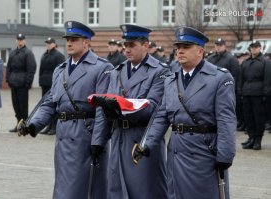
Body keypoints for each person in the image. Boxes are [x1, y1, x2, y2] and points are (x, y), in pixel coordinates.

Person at [134, 27, 236, 198]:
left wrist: (225, 154)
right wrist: (146, 144)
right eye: (178, 47)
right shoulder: (170, 80)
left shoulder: (219, 78)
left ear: (200, 51)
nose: (180, 51)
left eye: (186, 47)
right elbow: (161, 116)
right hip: (177, 151)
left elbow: (226, 120)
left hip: (204, 152)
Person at [18, 21, 113, 199]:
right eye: (67, 39)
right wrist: (34, 125)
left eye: (74, 39)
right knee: (63, 186)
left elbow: (103, 109)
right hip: (63, 135)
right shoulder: (60, 70)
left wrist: (98, 141)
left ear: (86, 42)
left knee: (85, 189)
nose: (69, 43)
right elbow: (51, 103)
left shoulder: (102, 68)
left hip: (85, 135)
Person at [91, 24, 169, 199]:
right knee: (117, 190)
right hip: (119, 137)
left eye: (132, 45)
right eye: (125, 45)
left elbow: (154, 107)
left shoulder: (160, 71)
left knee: (144, 191)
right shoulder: (116, 72)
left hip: (142, 138)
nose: (127, 49)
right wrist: (98, 141)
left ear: (146, 46)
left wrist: (119, 106)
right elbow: (105, 107)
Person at [239, 41, 271, 150]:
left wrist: (265, 93)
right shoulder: (246, 62)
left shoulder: (265, 61)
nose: (254, 49)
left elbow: (267, 79)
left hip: (258, 93)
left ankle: (258, 140)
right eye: (252, 47)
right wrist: (240, 91)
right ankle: (251, 138)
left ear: (260, 48)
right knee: (248, 117)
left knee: (258, 118)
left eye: (256, 47)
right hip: (247, 92)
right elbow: (241, 78)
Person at [6, 33, 37, 132]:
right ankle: (18, 124)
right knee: (16, 106)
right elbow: (9, 67)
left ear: (24, 41)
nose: (19, 41)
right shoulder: (12, 53)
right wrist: (8, 79)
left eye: (21, 39)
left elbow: (31, 68)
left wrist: (28, 82)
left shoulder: (28, 53)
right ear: (16, 41)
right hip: (13, 82)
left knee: (23, 106)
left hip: (22, 83)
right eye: (18, 39)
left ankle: (24, 126)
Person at [38, 37, 65, 135]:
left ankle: (54, 126)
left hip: (54, 84)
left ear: (54, 44)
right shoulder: (44, 55)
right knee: (46, 105)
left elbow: (61, 71)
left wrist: (58, 83)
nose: (48, 45)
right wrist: (40, 80)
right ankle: (48, 126)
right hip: (45, 83)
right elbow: (41, 70)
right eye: (47, 43)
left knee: (54, 105)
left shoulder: (59, 55)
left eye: (50, 43)